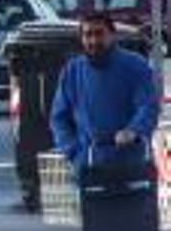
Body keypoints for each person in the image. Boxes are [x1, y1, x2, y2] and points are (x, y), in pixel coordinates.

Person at [51, 13, 159, 177]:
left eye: (99, 33)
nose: (94, 41)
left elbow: (148, 106)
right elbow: (59, 118)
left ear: (112, 35)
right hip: (88, 165)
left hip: (131, 163)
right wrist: (72, 151)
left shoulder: (136, 66)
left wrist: (133, 130)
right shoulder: (72, 71)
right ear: (81, 39)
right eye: (88, 35)